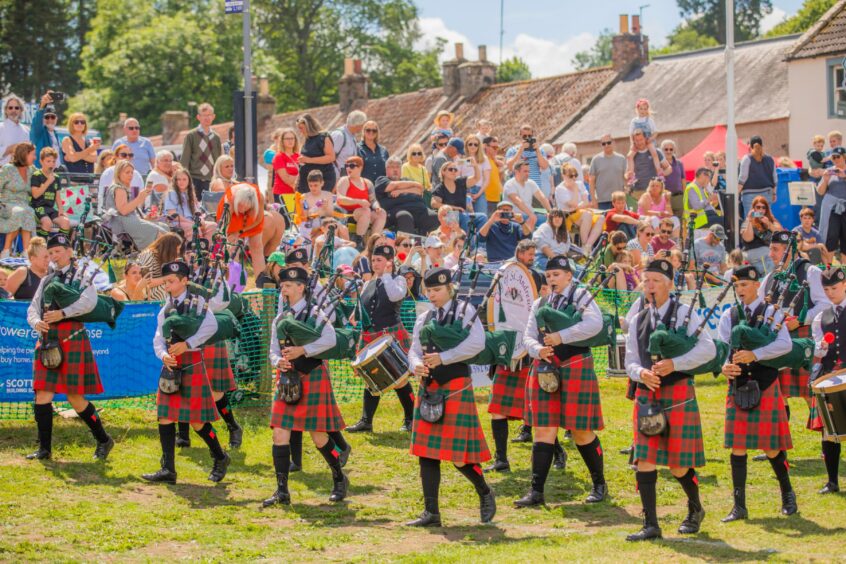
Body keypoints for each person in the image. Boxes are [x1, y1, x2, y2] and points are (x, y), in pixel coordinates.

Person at [623, 258, 715, 541]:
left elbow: (708, 349)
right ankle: (651, 524)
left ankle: (695, 507)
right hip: (647, 394)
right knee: (644, 460)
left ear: (669, 284)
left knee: (678, 465)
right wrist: (641, 374)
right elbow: (630, 360)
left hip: (677, 393)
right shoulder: (637, 317)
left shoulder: (686, 312)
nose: (649, 286)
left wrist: (676, 363)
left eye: (656, 281)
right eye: (646, 281)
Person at [406, 266, 496, 526]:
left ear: (449, 289)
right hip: (429, 387)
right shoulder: (425, 318)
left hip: (455, 385)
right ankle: (431, 513)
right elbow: (413, 349)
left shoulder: (465, 311)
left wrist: (443, 357)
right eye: (429, 291)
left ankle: (485, 491)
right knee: (427, 453)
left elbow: (477, 343)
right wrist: (416, 366)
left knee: (459, 456)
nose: (432, 295)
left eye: (437, 290)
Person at [517, 255, 608, 508]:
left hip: (575, 365)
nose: (552, 279)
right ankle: (536, 492)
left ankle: (599, 483)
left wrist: (561, 336)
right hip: (546, 366)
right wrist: (538, 350)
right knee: (544, 428)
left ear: (569, 276)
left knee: (580, 430)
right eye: (549, 276)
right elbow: (528, 336)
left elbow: (595, 324)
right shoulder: (540, 303)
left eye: (557, 275)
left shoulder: (581, 297)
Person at [264, 266, 349, 506]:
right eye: (283, 285)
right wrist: (277, 360)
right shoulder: (280, 318)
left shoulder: (314, 313)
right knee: (280, 432)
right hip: (287, 379)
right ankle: (282, 491)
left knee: (319, 436)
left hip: (311, 375)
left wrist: (303, 350)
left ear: (301, 287)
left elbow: (330, 339)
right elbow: (273, 348)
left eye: (289, 285)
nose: (284, 289)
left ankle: (339, 478)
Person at [25, 233, 115, 461]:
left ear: (69, 252)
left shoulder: (82, 275)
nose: (54, 256)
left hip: (71, 336)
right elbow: (33, 308)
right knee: (42, 394)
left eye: (58, 252)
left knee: (75, 398)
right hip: (47, 338)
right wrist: (37, 321)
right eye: (51, 253)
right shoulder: (48, 279)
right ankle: (44, 450)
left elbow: (90, 302)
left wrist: (62, 313)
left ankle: (104, 440)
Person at [718, 265, 797, 522]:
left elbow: (785, 344)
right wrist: (724, 366)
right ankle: (739, 506)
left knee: (771, 447)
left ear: (756, 285)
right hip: (738, 384)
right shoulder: (729, 315)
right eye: (737, 286)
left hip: (765, 383)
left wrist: (756, 354)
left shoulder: (772, 312)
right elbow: (721, 348)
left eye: (745, 285)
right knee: (737, 446)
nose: (740, 290)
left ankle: (787, 493)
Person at [142, 260, 229, 484]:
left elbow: (211, 327)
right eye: (166, 281)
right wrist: (163, 355)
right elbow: (158, 337)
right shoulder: (166, 306)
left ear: (184, 281)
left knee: (197, 421)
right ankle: (168, 469)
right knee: (164, 417)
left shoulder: (198, 303)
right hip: (171, 364)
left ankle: (220, 457)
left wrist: (188, 344)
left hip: (191, 362)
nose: (168, 285)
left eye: (172, 281)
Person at [759, 230, 829, 429]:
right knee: (778, 392)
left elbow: (825, 304)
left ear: (789, 250)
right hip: (777, 339)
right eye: (770, 249)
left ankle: (829, 438)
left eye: (775, 249)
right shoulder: (770, 277)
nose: (771, 254)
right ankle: (778, 444)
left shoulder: (810, 271)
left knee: (809, 391)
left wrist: (800, 319)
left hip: (802, 337)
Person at [486, 240, 545, 472]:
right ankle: (501, 459)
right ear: (519, 252)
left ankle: (557, 451)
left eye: (534, 254)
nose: (532, 257)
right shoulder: (504, 274)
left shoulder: (537, 277)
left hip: (526, 351)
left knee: (535, 409)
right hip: (507, 350)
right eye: (529, 254)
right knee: (497, 408)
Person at [345, 244, 416, 433]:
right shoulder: (368, 283)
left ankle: (412, 419)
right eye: (373, 260)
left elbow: (395, 296)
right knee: (371, 377)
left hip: (390, 335)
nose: (375, 263)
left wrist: (386, 274)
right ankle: (366, 421)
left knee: (400, 379)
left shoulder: (398, 279)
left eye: (379, 260)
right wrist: (355, 313)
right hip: (370, 334)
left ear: (389, 262)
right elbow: (363, 305)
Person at [809, 266, 846, 494]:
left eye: (834, 288)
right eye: (826, 289)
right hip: (831, 377)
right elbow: (818, 350)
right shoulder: (821, 318)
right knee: (829, 431)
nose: (830, 293)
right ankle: (832, 481)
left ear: (844, 285)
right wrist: (820, 348)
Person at [217, 182, 286, 275]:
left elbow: (258, 220)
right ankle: (234, 280)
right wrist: (226, 239)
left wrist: (241, 231)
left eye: (246, 207)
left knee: (257, 246)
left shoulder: (259, 197)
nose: (243, 209)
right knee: (232, 247)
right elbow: (223, 227)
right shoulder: (229, 200)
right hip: (232, 219)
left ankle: (260, 280)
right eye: (241, 205)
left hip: (251, 218)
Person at [104, 160, 167, 250]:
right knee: (158, 232)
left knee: (163, 226)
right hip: (121, 223)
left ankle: (160, 256)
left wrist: (146, 218)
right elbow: (123, 211)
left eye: (132, 172)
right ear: (119, 174)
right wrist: (139, 198)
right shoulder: (119, 188)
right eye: (127, 172)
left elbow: (130, 212)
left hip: (128, 221)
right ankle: (156, 256)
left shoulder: (123, 188)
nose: (130, 175)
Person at [375, 156, 438, 235]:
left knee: (434, 216)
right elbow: (392, 185)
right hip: (397, 211)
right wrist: (415, 184)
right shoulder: (381, 180)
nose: (395, 170)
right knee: (405, 216)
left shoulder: (407, 180)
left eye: (398, 167)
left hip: (419, 209)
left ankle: (428, 243)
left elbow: (420, 189)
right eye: (392, 167)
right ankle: (406, 245)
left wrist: (401, 190)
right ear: (386, 169)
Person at [555, 163, 603, 253]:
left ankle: (587, 246)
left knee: (601, 218)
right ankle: (585, 247)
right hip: (566, 216)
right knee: (587, 215)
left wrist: (577, 206)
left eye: (575, 175)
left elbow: (586, 202)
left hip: (579, 212)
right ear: (563, 175)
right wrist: (575, 189)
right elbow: (573, 204)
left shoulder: (579, 183)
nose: (573, 178)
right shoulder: (560, 189)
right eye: (570, 175)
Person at [0, 142, 37, 258]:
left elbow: (43, 177)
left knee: (28, 211)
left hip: (24, 204)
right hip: (7, 204)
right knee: (20, 212)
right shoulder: (8, 169)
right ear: (24, 154)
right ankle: (6, 251)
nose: (35, 157)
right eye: (33, 154)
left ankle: (26, 252)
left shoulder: (32, 170)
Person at [431, 157, 485, 235]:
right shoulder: (440, 188)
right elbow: (434, 203)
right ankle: (467, 245)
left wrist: (475, 165)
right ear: (443, 172)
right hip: (449, 215)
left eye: (455, 169)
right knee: (464, 217)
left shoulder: (460, 182)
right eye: (450, 169)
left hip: (463, 214)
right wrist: (454, 208)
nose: (453, 171)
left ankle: (480, 245)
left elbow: (476, 178)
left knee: (482, 217)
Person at [180, 103, 223, 198]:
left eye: (209, 115)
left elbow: (219, 160)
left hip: (212, 180)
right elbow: (185, 160)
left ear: (213, 116)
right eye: (204, 115)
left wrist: (219, 178)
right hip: (195, 179)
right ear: (198, 117)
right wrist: (184, 179)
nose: (207, 118)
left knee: (212, 209)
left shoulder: (216, 137)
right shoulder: (191, 135)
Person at [163, 168, 217, 242]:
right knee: (194, 228)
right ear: (175, 181)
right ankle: (194, 251)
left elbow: (198, 212)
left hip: (192, 222)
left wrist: (201, 221)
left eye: (184, 179)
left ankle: (207, 249)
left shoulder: (190, 195)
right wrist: (191, 223)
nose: (181, 182)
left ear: (189, 181)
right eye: (178, 179)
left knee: (212, 226)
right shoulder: (172, 194)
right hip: (177, 223)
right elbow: (173, 215)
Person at [30, 147, 70, 238]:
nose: (51, 164)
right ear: (41, 161)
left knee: (65, 222)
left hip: (50, 208)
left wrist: (61, 209)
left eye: (53, 161)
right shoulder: (37, 175)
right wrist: (48, 182)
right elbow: (35, 195)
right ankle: (42, 246)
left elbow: (58, 196)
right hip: (38, 207)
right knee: (47, 223)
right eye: (48, 161)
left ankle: (58, 246)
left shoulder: (56, 177)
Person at [626, 130, 672, 205]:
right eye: (637, 140)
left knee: (657, 215)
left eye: (641, 139)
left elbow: (669, 168)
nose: (639, 142)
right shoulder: (632, 154)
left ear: (645, 139)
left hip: (655, 191)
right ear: (634, 141)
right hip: (638, 192)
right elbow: (626, 174)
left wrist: (661, 174)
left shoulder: (656, 151)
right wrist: (628, 176)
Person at [816, 147, 846, 263]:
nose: (836, 159)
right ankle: (827, 272)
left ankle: (844, 275)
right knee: (830, 238)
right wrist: (825, 179)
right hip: (832, 209)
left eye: (838, 156)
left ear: (844, 156)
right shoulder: (829, 171)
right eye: (833, 157)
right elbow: (820, 191)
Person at [503, 160, 552, 228]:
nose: (528, 174)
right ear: (516, 172)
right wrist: (531, 215)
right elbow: (517, 201)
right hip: (514, 216)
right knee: (531, 220)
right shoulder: (510, 184)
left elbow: (542, 197)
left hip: (530, 215)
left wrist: (551, 212)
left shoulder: (531, 183)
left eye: (528, 171)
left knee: (553, 220)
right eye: (525, 171)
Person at [741, 196, 783, 274]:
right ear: (753, 208)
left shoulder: (771, 220)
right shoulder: (747, 222)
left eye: (764, 207)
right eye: (758, 207)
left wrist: (769, 224)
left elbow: (781, 234)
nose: (761, 210)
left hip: (770, 255)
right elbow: (748, 238)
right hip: (754, 256)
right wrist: (750, 220)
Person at [137, 232, 184, 302]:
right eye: (177, 249)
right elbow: (146, 282)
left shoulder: (163, 256)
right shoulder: (148, 256)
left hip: (159, 285)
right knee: (164, 290)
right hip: (147, 290)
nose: (178, 252)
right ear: (169, 248)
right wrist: (167, 278)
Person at [97, 144, 144, 214]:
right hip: (113, 214)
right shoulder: (108, 173)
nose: (127, 157)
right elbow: (103, 197)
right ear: (115, 157)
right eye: (123, 155)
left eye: (130, 155)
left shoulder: (136, 174)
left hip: (134, 214)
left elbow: (141, 199)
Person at [295, 114, 336, 193]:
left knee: (320, 203)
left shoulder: (323, 137)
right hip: (305, 180)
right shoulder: (306, 139)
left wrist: (308, 160)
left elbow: (331, 157)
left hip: (322, 179)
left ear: (308, 126)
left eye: (301, 128)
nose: (300, 131)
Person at [738, 135, 778, 216]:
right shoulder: (770, 159)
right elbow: (775, 179)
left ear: (750, 146)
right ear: (762, 146)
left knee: (752, 219)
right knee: (764, 218)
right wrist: (774, 193)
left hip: (750, 195)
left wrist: (736, 194)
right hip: (767, 194)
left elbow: (743, 178)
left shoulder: (747, 158)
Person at [589, 134, 627, 210]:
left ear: (613, 142)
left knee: (621, 222)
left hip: (619, 201)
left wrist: (625, 195)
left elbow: (626, 178)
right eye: (603, 143)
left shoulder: (621, 159)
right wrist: (593, 200)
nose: (606, 145)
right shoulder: (596, 160)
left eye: (609, 142)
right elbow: (591, 180)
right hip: (602, 201)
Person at [684, 167, 723, 233]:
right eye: (709, 177)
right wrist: (709, 199)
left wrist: (712, 201)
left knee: (730, 219)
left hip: (707, 217)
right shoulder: (691, 188)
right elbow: (697, 206)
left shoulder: (701, 188)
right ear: (702, 176)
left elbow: (706, 204)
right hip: (699, 220)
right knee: (728, 221)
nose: (709, 180)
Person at [330, 110, 366, 177]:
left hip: (347, 175)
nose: (362, 127)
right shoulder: (339, 135)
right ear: (357, 124)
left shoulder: (352, 137)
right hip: (337, 176)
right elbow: (329, 157)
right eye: (362, 124)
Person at [61, 112, 98, 177]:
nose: (80, 124)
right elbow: (73, 158)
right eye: (76, 122)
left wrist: (76, 155)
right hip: (73, 183)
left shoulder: (90, 141)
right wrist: (90, 150)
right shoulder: (67, 140)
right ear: (71, 124)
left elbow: (94, 159)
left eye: (82, 122)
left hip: (89, 182)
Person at [30, 93, 61, 168]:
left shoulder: (56, 134)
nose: (50, 119)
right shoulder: (39, 132)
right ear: (42, 119)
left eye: (52, 117)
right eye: (47, 117)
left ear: (56, 119)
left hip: (56, 174)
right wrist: (42, 105)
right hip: (42, 174)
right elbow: (36, 122)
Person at [271, 127, 300, 208]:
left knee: (295, 219)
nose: (290, 141)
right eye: (287, 138)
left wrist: (294, 178)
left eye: (292, 138)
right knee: (287, 220)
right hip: (283, 194)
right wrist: (299, 178)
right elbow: (286, 178)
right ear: (282, 141)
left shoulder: (299, 156)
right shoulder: (279, 156)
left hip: (296, 194)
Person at [463, 134, 491, 214]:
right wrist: (465, 192)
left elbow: (487, 179)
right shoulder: (461, 158)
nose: (473, 146)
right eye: (470, 144)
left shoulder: (484, 159)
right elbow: (458, 176)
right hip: (465, 190)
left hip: (479, 190)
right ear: (466, 145)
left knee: (482, 216)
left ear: (479, 146)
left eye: (476, 144)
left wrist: (478, 194)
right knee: (466, 218)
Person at [0, 94, 30, 166]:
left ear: (21, 110)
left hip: (22, 171)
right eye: (10, 108)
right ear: (6, 110)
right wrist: (9, 149)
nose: (13, 110)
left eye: (17, 108)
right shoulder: (1, 127)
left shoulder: (26, 130)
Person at [629, 98, 660, 166]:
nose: (643, 111)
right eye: (641, 108)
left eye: (645, 109)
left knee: (654, 153)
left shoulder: (649, 120)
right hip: (638, 142)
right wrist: (632, 143)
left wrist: (651, 139)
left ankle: (658, 169)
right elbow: (631, 134)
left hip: (647, 141)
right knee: (630, 156)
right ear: (637, 109)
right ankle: (631, 172)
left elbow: (655, 132)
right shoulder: (634, 121)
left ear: (647, 110)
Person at [357, 120, 389, 184]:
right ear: (363, 131)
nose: (371, 132)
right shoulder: (357, 148)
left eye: (374, 131)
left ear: (377, 133)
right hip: (365, 187)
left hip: (381, 188)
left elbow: (388, 169)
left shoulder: (384, 150)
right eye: (368, 130)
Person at [660, 140, 686, 216]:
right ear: (662, 150)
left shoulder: (679, 163)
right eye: (666, 149)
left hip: (678, 197)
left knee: (680, 221)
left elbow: (683, 181)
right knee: (668, 221)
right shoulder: (659, 163)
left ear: (674, 150)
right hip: (664, 198)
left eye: (671, 149)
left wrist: (684, 197)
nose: (669, 151)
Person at [483, 136, 506, 215]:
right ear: (485, 146)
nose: (496, 150)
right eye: (494, 147)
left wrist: (501, 171)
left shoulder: (494, 161)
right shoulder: (481, 159)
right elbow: (463, 163)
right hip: (487, 199)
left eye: (497, 147)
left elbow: (498, 180)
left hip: (497, 198)